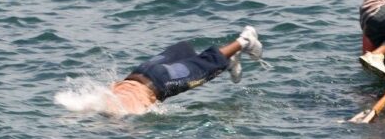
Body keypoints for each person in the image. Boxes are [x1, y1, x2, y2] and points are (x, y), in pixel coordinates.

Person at [101, 26, 264, 114]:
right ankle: (229, 62)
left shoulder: (121, 114)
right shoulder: (99, 101)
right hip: (141, 72)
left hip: (160, 82)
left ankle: (245, 41)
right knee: (185, 52)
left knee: (203, 68)